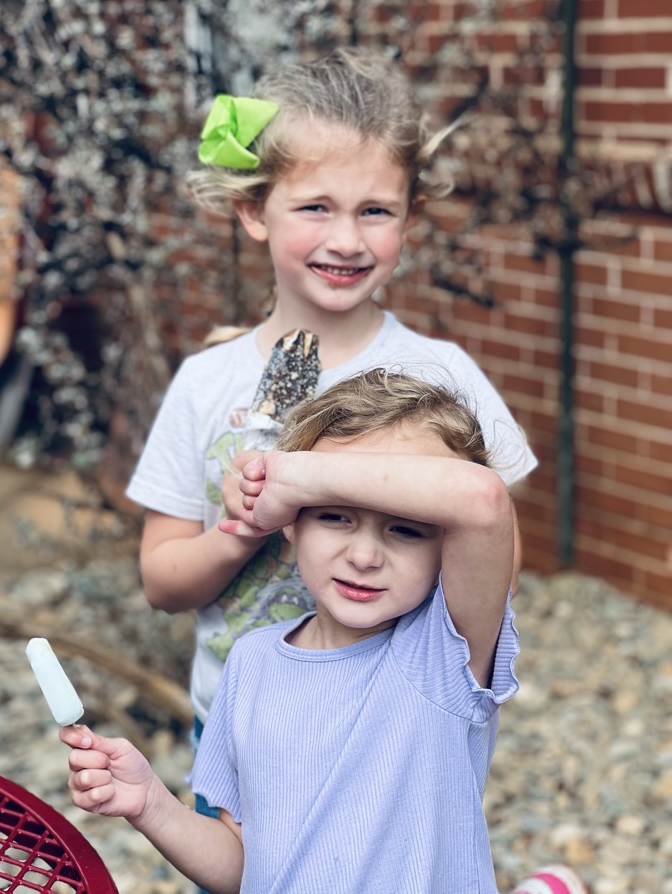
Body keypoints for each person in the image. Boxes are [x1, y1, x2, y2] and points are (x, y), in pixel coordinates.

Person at [125, 47, 538, 795]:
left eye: (375, 210)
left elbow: (497, 552)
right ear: (252, 210)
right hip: (242, 731)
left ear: (409, 216)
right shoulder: (206, 383)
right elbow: (161, 579)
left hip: (399, 735)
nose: (347, 240)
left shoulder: (444, 374)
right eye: (315, 206)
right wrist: (241, 529)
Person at [62, 369, 519, 893]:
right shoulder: (251, 661)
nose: (365, 556)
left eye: (407, 527)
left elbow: (483, 500)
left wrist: (297, 477)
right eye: (335, 517)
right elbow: (243, 866)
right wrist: (149, 804)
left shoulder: (442, 655)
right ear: (290, 520)